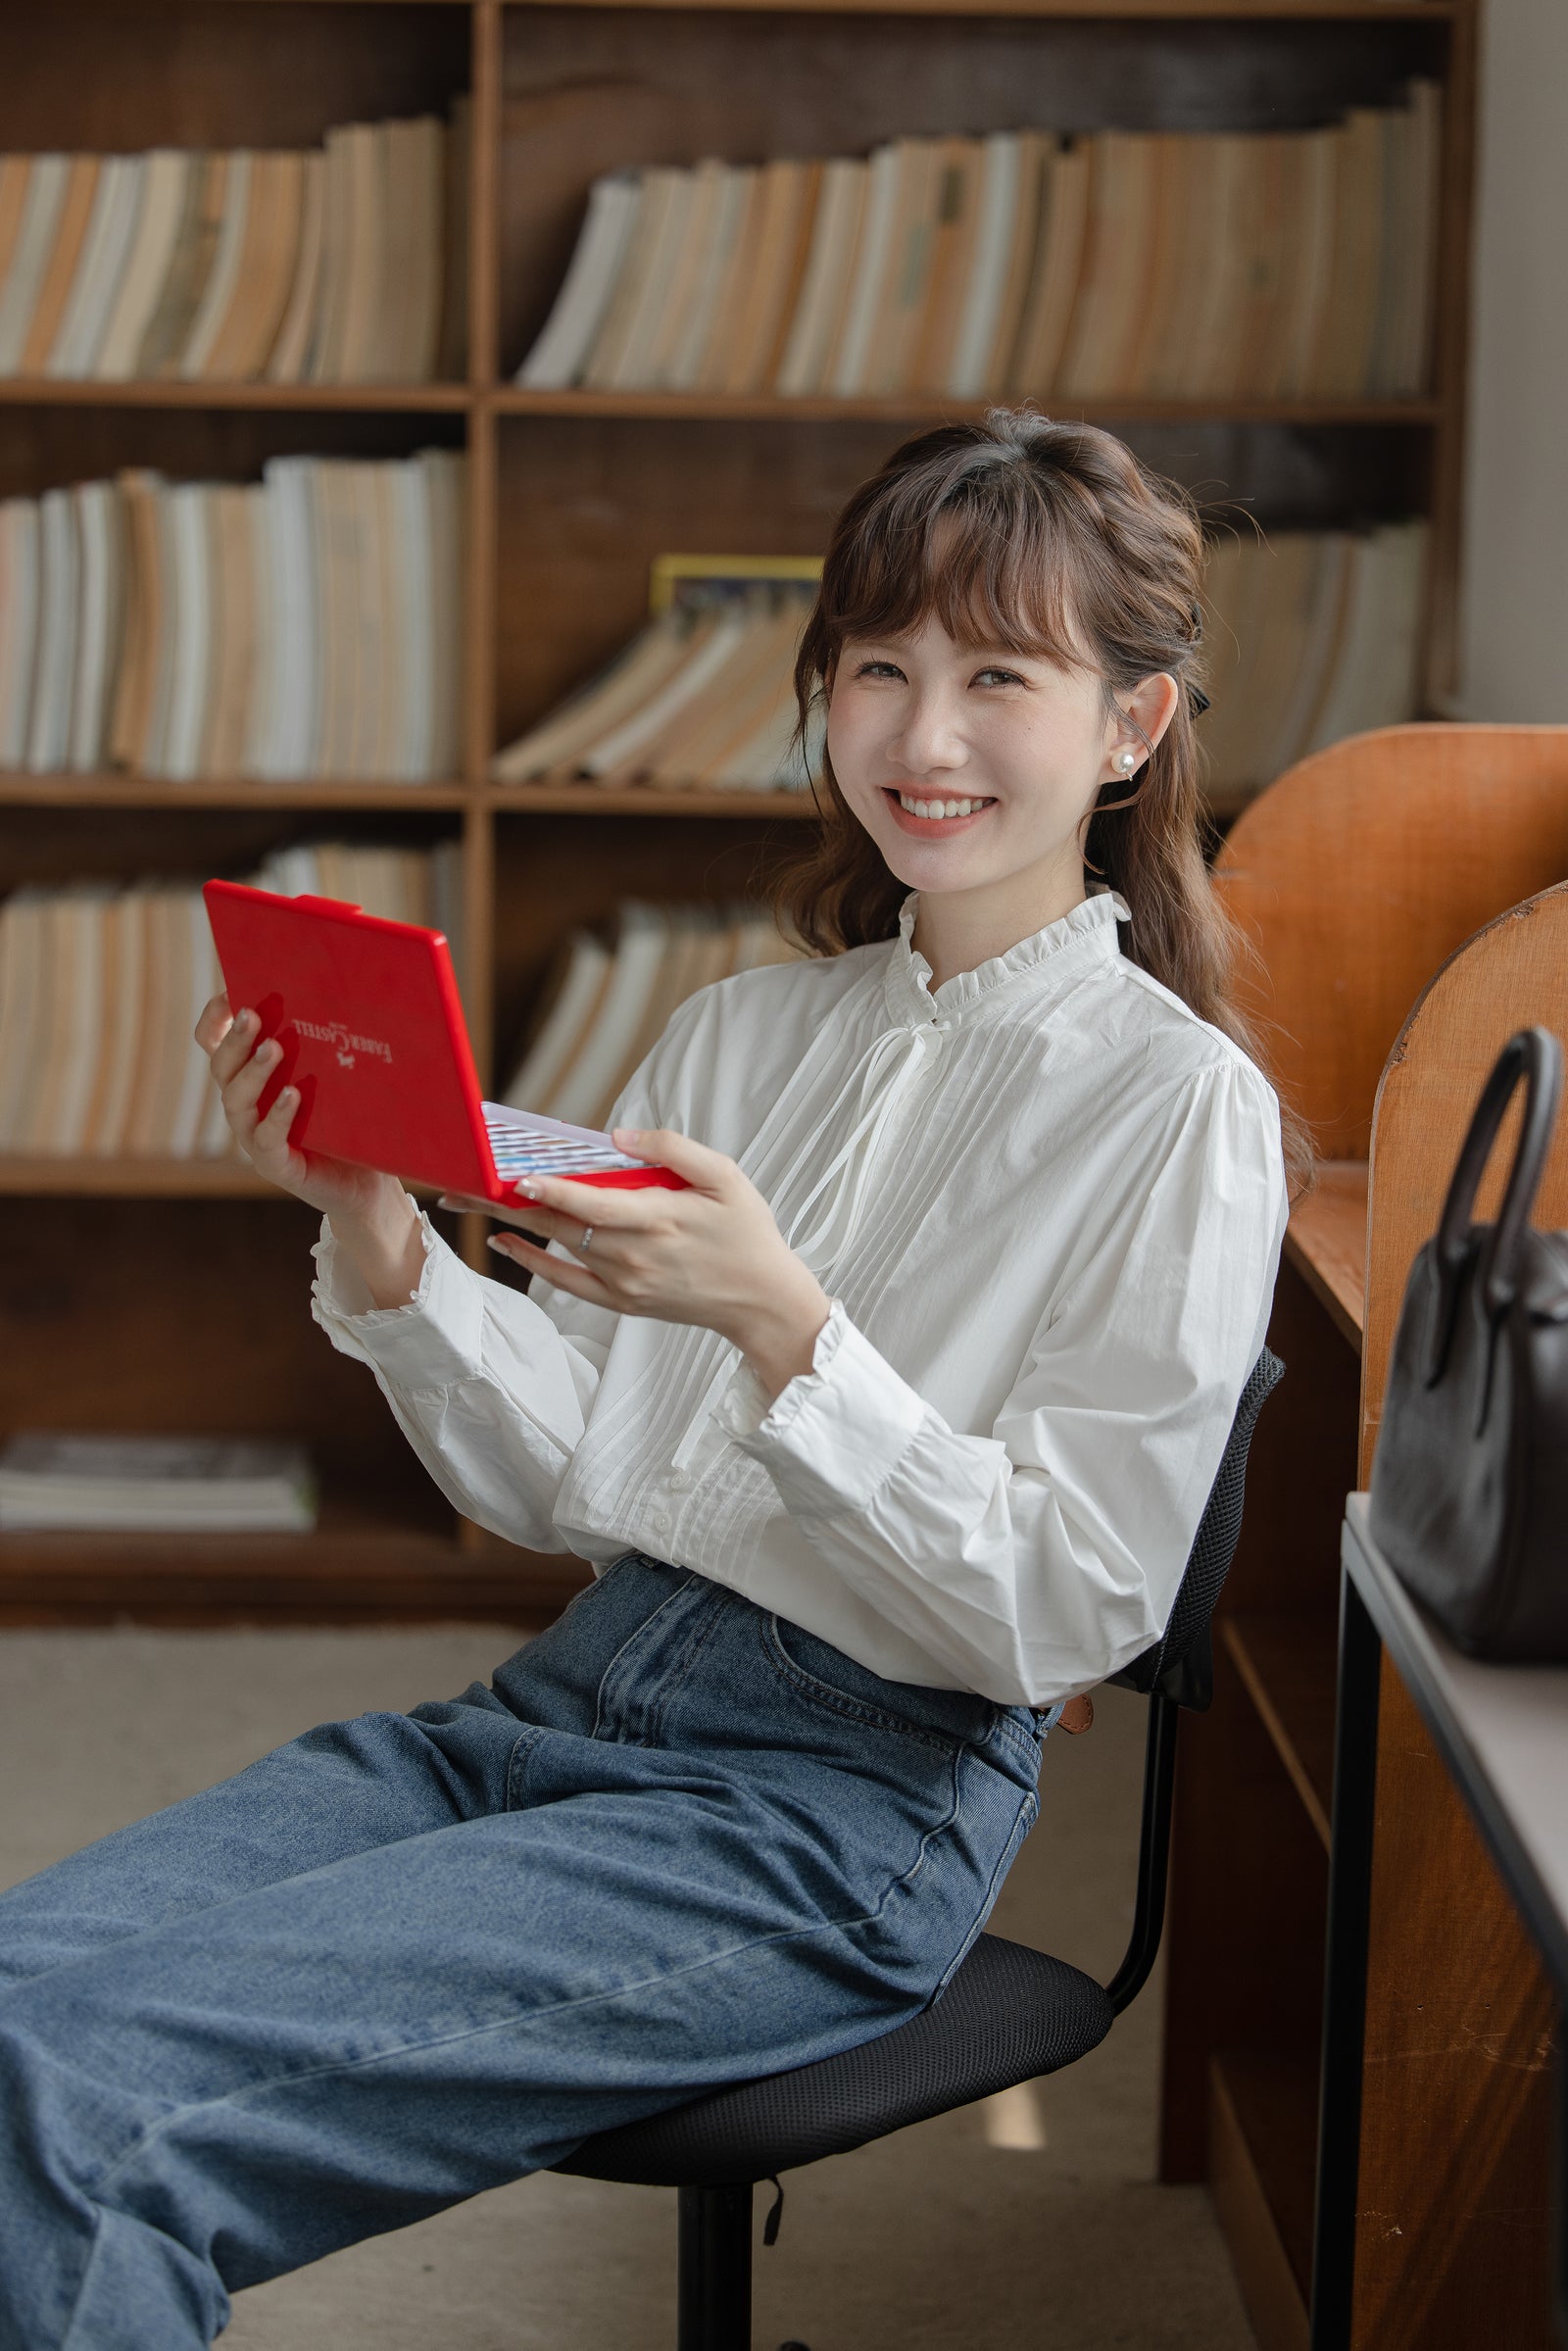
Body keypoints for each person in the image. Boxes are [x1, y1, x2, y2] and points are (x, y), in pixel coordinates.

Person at [0, 411, 1294, 2351]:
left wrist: (788, 1331)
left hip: (835, 1807)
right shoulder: (736, 1039)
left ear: (1127, 727)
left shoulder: (1175, 1109)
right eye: (877, 671)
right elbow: (570, 1488)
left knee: (73, 2112)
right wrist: (378, 1238)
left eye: (995, 679)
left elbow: (1072, 1606)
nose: (920, 740)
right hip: (564, 1701)